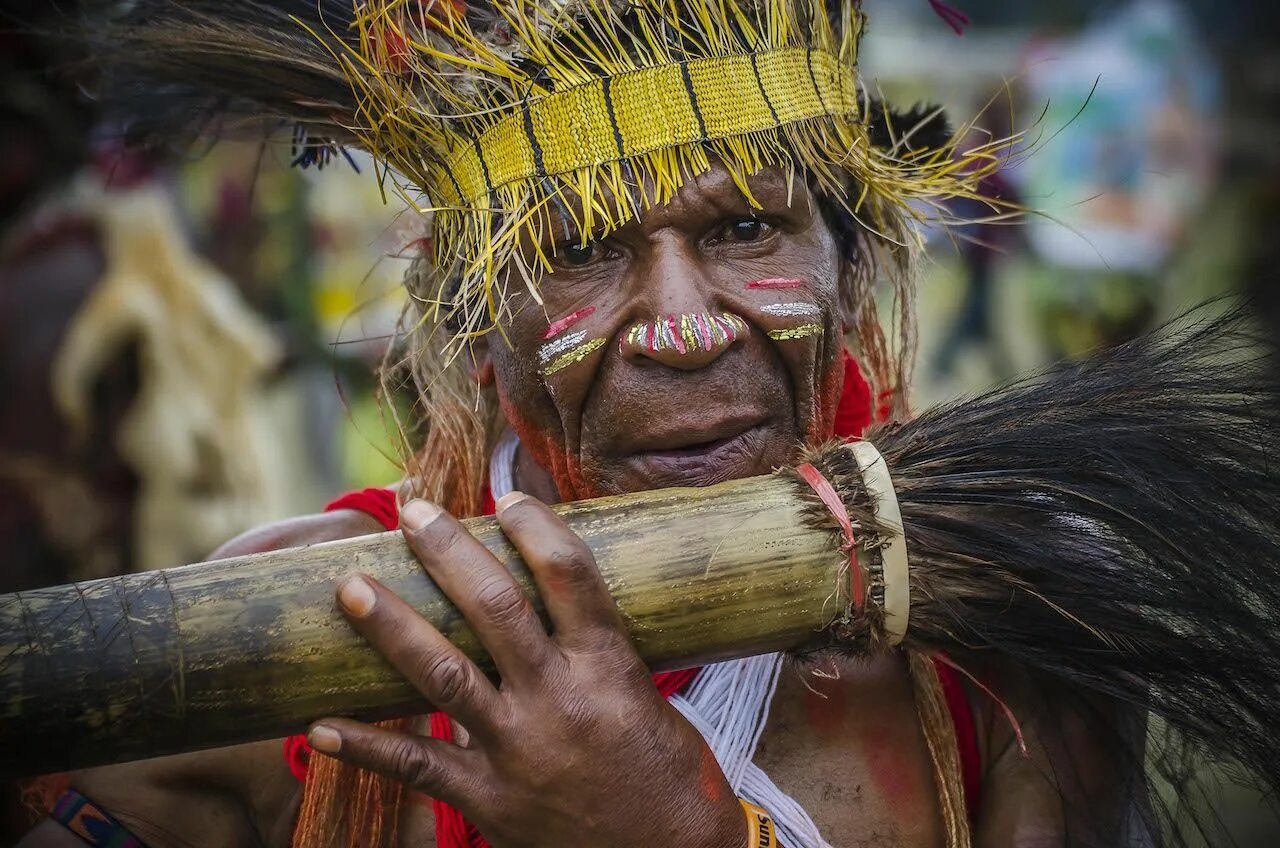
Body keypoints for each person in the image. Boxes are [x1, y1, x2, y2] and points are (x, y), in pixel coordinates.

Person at [18, 0, 1141, 846]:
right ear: (470, 317)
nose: (682, 329)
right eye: (577, 250)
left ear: (851, 270)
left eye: (747, 226)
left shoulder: (1012, 628)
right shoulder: (276, 660)